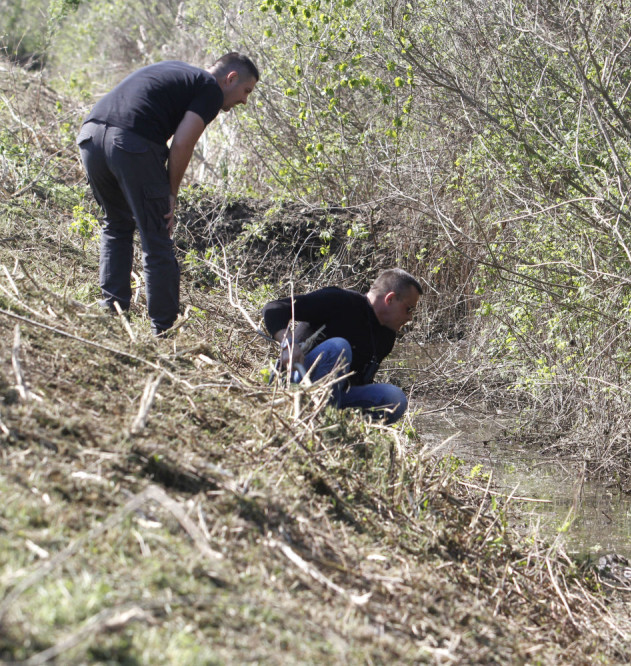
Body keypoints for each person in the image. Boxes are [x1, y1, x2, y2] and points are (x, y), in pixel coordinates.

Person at [76, 53, 259, 336]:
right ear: (230, 78)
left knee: (116, 224)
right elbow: (182, 143)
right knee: (158, 236)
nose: (244, 100)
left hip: (90, 136)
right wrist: (170, 192)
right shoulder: (210, 89)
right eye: (246, 91)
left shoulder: (178, 71)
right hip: (130, 143)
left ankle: (111, 314)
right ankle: (165, 331)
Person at [262, 269, 422, 424]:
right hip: (294, 387)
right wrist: (288, 344)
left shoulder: (386, 336)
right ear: (390, 299)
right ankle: (317, 424)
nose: (410, 318)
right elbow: (274, 309)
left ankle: (337, 429)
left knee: (395, 399)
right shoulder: (339, 300)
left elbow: (360, 382)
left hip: (336, 398)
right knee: (338, 347)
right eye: (409, 309)